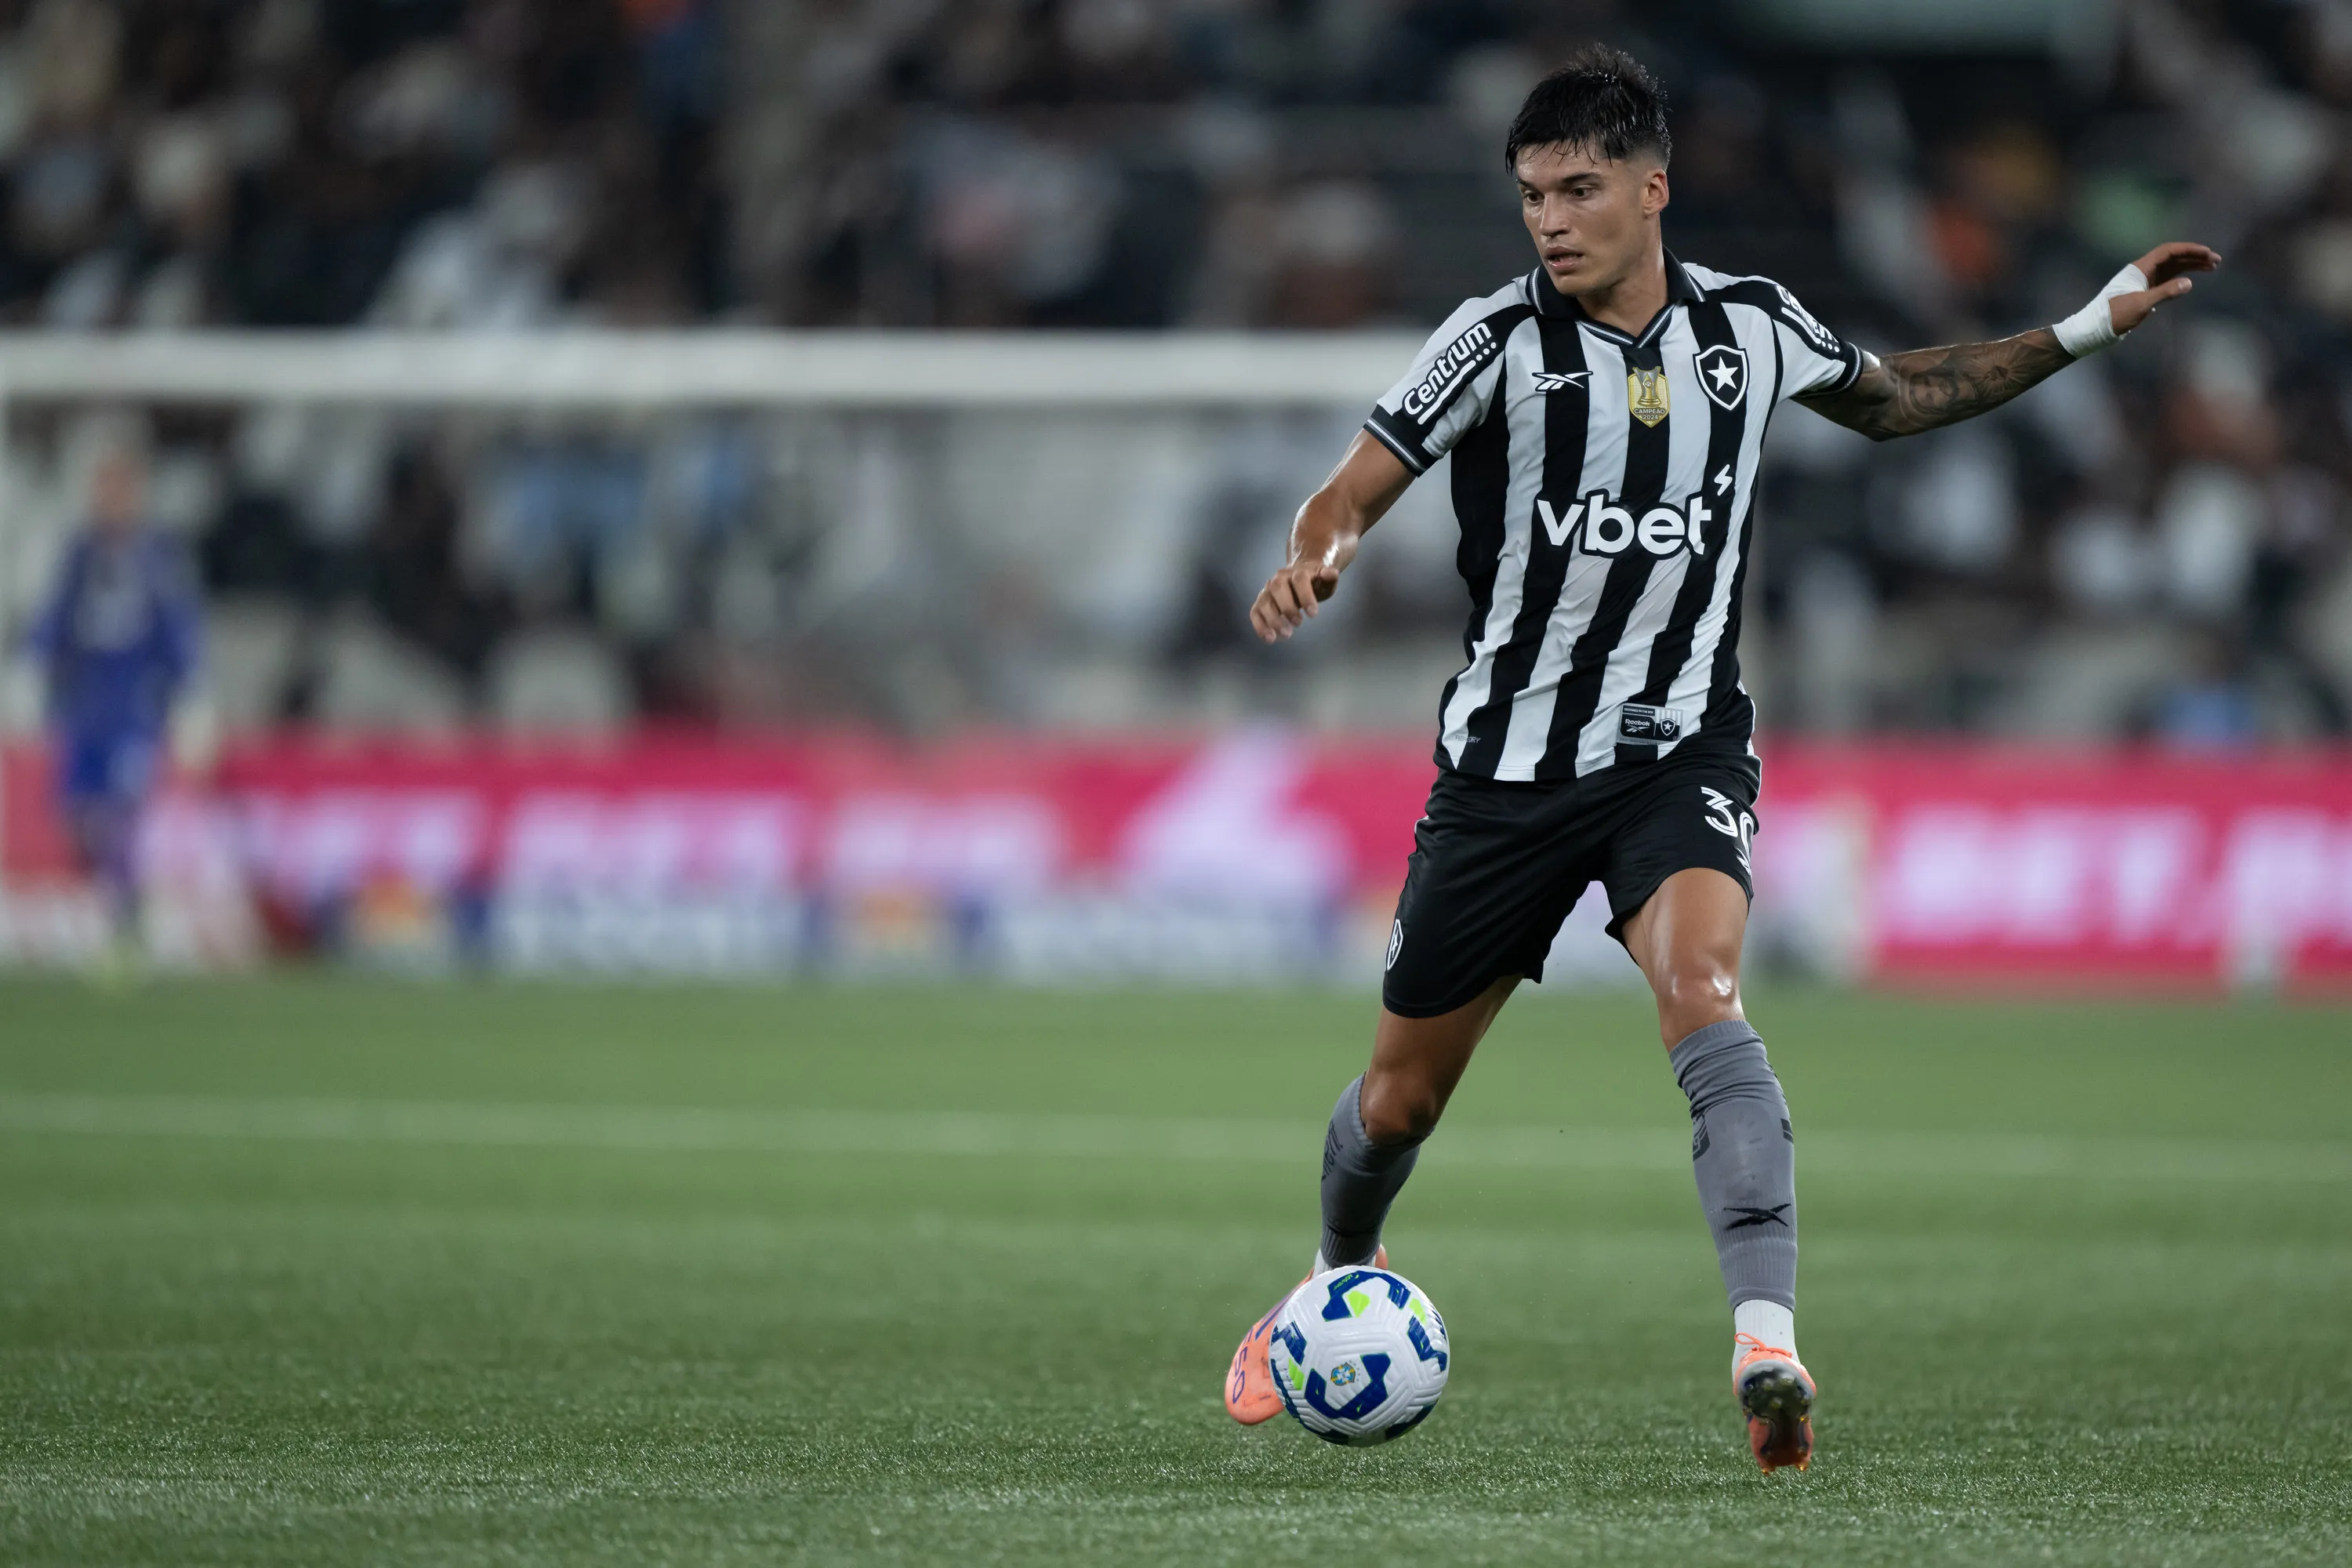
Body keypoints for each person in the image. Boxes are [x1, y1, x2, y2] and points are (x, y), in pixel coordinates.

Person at [1222, 46, 2216, 1473]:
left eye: (1577, 190)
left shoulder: (1749, 330)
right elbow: (1355, 480)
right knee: (1399, 1102)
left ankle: (1766, 1340)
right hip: (1505, 775)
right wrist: (1313, 559)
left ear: (1653, 187)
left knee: (1705, 992)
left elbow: (1904, 395)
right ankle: (1330, 1275)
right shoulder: (1492, 340)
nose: (1551, 222)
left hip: (1678, 750)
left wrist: (2091, 324)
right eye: (1530, 198)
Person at [27, 418, 204, 967]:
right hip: (84, 709)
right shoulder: (80, 552)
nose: (112, 499)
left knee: (120, 816)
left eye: (121, 487)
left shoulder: (157, 557)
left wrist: (193, 696)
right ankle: (112, 911)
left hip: (133, 709)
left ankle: (125, 926)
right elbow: (53, 619)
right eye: (105, 487)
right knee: (77, 816)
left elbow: (179, 628)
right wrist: (28, 670)